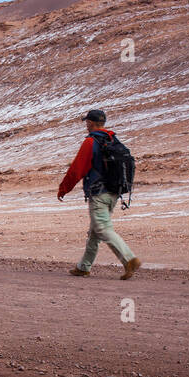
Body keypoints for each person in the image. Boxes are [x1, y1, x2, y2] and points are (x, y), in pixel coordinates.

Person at [56, 109, 141, 279]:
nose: (86, 125)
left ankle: (129, 259)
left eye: (87, 122)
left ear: (91, 123)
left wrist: (64, 188)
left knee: (102, 228)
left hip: (99, 193)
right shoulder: (111, 138)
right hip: (114, 193)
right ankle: (84, 266)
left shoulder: (91, 142)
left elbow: (77, 169)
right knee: (95, 231)